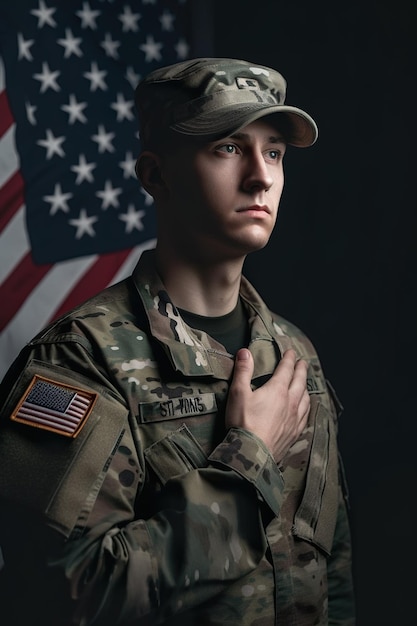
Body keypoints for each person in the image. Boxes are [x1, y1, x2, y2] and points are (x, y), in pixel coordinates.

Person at [0, 57, 355, 625]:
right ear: (155, 175)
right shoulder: (79, 361)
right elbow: (68, 594)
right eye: (229, 148)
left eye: (274, 153)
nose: (261, 176)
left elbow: (331, 577)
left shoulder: (294, 357)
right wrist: (246, 465)